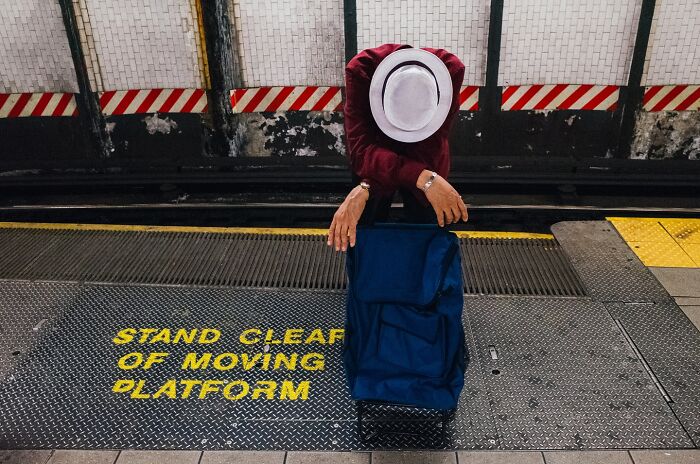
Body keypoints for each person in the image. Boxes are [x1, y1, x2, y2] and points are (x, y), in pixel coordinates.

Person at [327, 43, 469, 252]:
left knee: (429, 217)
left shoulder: (451, 71)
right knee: (366, 215)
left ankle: (420, 269)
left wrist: (425, 181)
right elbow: (361, 153)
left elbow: (429, 149)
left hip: (422, 155)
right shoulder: (360, 72)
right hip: (378, 146)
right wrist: (370, 188)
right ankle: (369, 264)